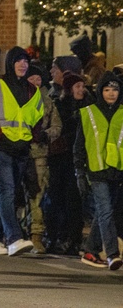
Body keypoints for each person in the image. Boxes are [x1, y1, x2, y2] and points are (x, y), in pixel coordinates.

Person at [0, 46, 44, 257]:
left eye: (26, 61)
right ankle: (14, 238)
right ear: (10, 63)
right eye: (18, 60)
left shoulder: (33, 91)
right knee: (7, 190)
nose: (23, 64)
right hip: (1, 146)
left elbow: (37, 119)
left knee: (11, 192)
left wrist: (31, 138)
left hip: (21, 147)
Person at [75, 72, 123, 270]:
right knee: (105, 211)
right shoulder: (87, 113)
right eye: (107, 89)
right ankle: (112, 254)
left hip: (117, 171)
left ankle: (90, 250)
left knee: (104, 212)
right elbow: (79, 146)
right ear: (99, 91)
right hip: (96, 170)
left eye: (115, 89)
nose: (111, 94)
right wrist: (79, 171)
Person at [45, 73, 90, 255]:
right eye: (77, 86)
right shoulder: (60, 106)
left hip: (77, 160)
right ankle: (55, 236)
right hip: (60, 159)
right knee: (56, 199)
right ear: (69, 89)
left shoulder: (88, 106)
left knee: (74, 201)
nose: (81, 89)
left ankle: (73, 239)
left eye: (82, 86)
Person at [25, 63, 61, 253]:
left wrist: (45, 135)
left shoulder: (47, 101)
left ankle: (36, 236)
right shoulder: (18, 98)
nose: (36, 82)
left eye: (39, 79)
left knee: (37, 195)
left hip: (39, 153)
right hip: (19, 151)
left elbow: (57, 127)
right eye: (32, 79)